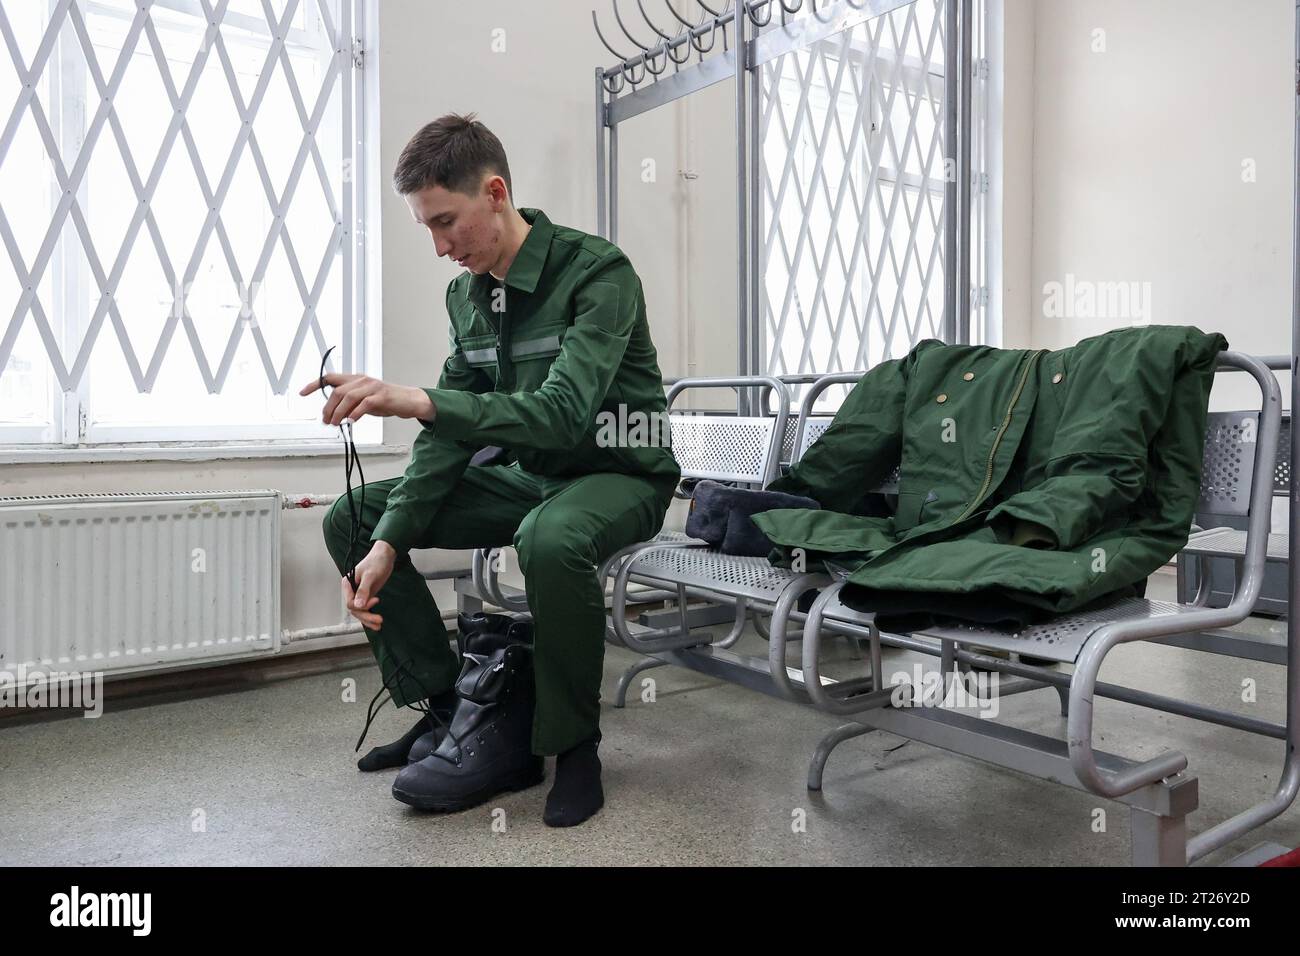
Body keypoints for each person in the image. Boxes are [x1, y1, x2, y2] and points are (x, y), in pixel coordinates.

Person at [300, 113, 680, 827]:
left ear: (496, 193)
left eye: (447, 222)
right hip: (532, 478)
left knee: (550, 536)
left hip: (620, 474)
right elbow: (449, 439)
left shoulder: (598, 274)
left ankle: (573, 744)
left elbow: (563, 416)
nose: (441, 247)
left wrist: (417, 399)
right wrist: (387, 543)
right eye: (427, 229)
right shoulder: (467, 297)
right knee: (356, 517)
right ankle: (451, 712)